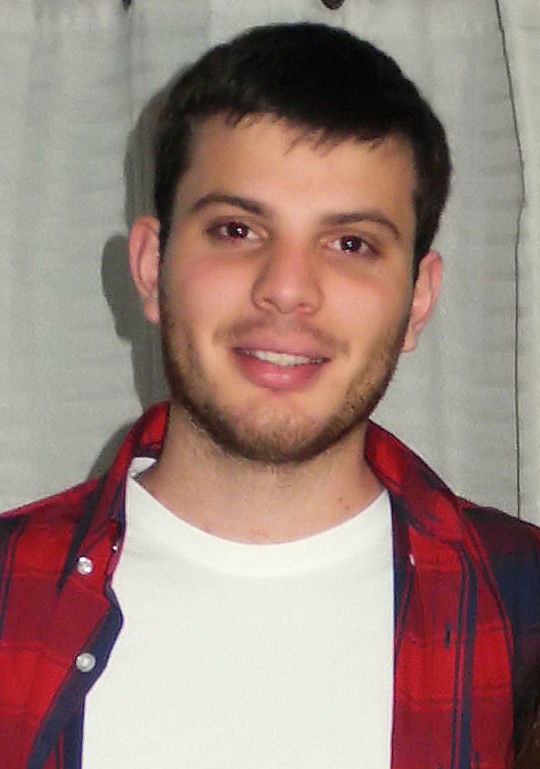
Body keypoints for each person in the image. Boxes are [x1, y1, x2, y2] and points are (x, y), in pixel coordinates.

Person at [0, 21, 539, 769]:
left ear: (418, 299)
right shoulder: (9, 595)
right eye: (237, 229)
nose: (287, 289)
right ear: (152, 267)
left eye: (351, 243)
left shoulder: (524, 605)